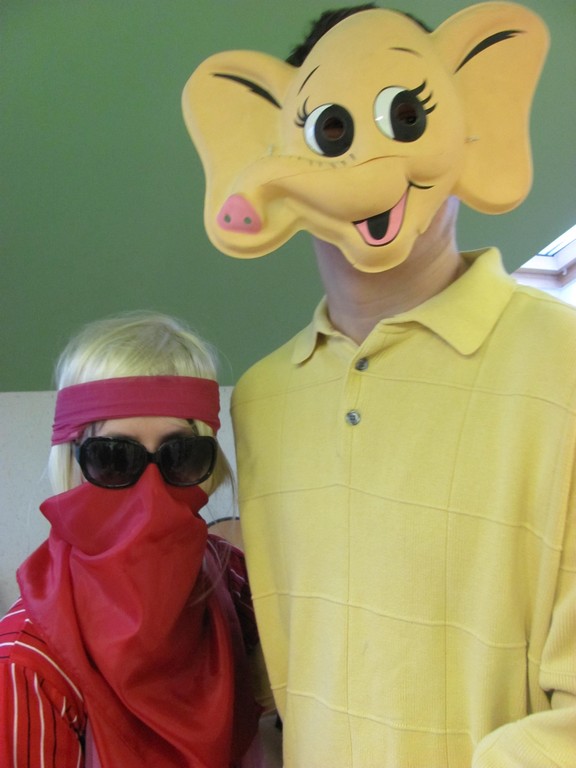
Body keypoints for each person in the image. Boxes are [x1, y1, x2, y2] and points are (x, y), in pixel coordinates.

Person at [183, 3, 576, 767]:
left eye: (404, 115)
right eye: (333, 130)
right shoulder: (262, 401)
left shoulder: (563, 361)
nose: (366, 160)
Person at [0, 311, 269, 768]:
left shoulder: (229, 579)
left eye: (180, 454)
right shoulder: (28, 663)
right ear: (71, 461)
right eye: (113, 457)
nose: (151, 494)